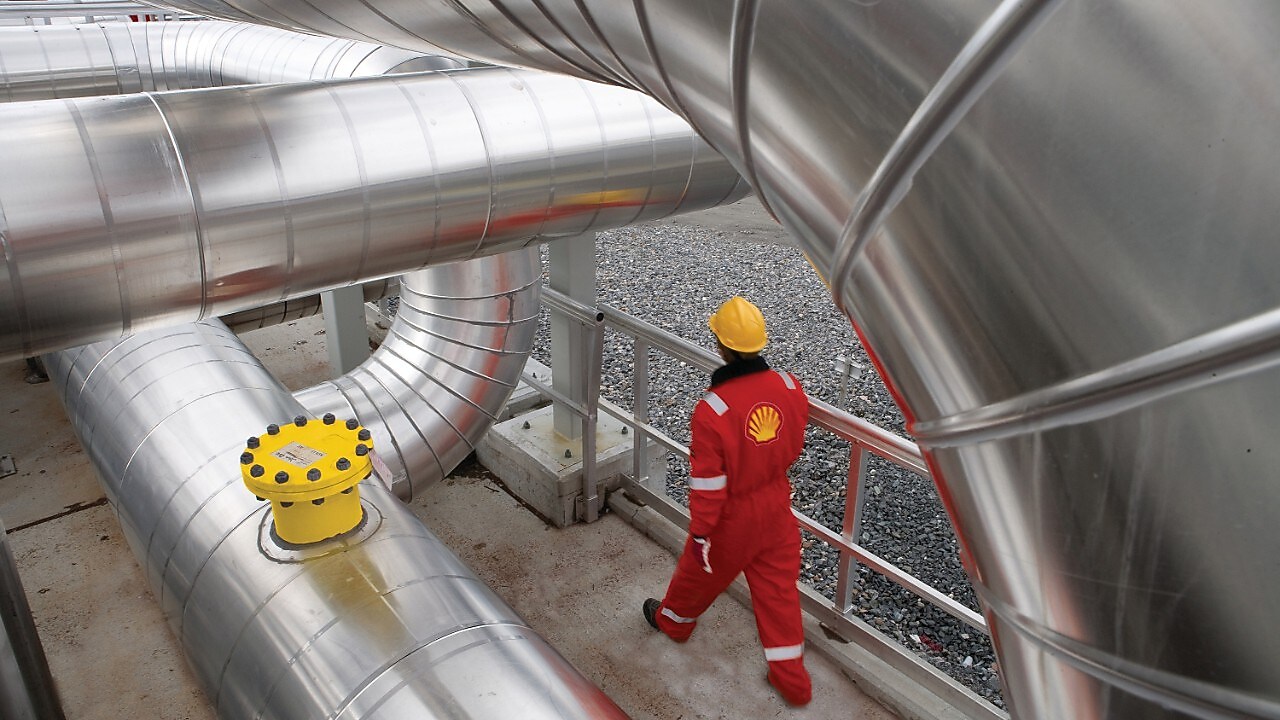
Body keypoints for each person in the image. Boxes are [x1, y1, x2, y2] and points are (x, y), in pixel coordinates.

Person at [642, 295, 812, 706]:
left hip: (732, 517)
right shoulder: (790, 387)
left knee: (695, 576)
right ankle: (793, 682)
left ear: (720, 345)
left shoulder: (713, 409)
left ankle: (674, 623)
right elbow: (793, 442)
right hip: (776, 507)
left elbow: (708, 485)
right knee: (778, 595)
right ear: (760, 343)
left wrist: (701, 533)